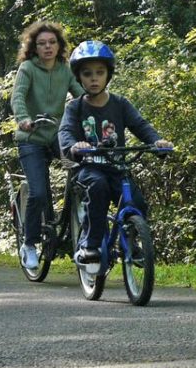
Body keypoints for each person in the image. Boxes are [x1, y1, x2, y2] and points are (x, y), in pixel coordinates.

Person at [58, 40, 172, 269]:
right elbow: (66, 131)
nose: (94, 78)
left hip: (116, 167)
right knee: (97, 187)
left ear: (108, 75)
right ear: (79, 77)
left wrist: (156, 141)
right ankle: (91, 244)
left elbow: (140, 125)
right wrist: (74, 146)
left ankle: (129, 240)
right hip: (88, 168)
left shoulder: (120, 104)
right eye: (87, 74)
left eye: (100, 73)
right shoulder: (75, 107)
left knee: (135, 200)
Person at [10, 21, 84, 270]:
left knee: (82, 175)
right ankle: (29, 244)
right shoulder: (28, 68)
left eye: (52, 42)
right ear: (34, 47)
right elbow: (18, 96)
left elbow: (81, 95)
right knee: (39, 192)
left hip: (58, 136)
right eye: (42, 43)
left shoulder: (65, 69)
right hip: (31, 138)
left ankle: (80, 233)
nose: (48, 47)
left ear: (59, 45)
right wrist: (23, 119)